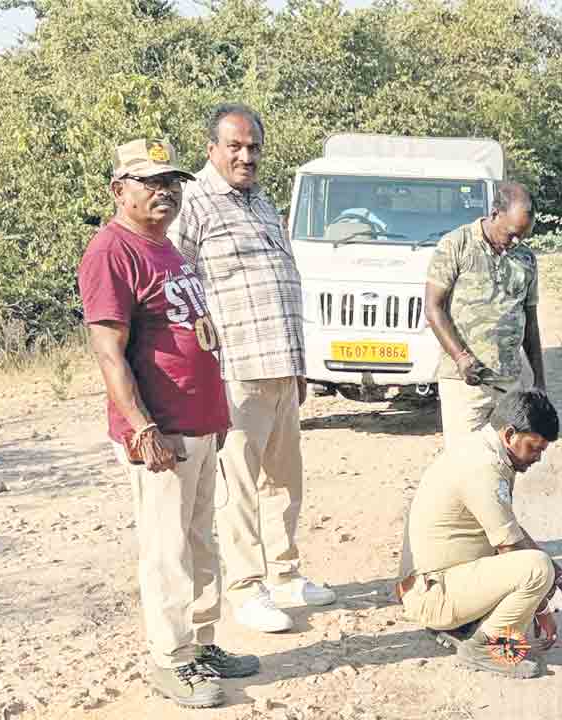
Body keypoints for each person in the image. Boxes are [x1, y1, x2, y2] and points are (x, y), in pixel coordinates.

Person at [79, 139, 258, 709]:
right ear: (119, 189)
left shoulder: (168, 249)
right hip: (161, 431)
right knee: (166, 550)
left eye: (174, 181)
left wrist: (217, 416)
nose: (165, 191)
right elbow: (110, 352)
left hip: (199, 424)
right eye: (150, 181)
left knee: (200, 541)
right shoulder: (112, 252)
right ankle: (170, 658)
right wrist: (141, 427)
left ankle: (201, 644)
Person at [170, 103, 333, 634]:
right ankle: (246, 588)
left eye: (253, 147)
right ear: (212, 149)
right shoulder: (193, 202)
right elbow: (178, 285)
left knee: (284, 481)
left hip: (282, 365)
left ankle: (285, 575)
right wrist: (202, 367)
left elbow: (281, 281)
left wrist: (300, 366)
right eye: (234, 147)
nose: (245, 156)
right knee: (237, 486)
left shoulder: (260, 201)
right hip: (235, 370)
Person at [395, 390, 562, 678]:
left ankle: (465, 625)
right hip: (433, 595)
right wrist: (543, 608)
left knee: (537, 573)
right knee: (536, 570)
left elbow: (509, 528)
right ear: (510, 434)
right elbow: (511, 550)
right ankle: (483, 647)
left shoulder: (478, 449)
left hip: (435, 583)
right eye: (534, 448)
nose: (537, 459)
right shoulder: (485, 468)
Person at [424, 182, 545, 447]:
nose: (516, 242)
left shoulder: (526, 258)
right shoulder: (456, 245)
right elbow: (433, 308)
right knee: (465, 462)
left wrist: (539, 381)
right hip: (466, 383)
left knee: (506, 459)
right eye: (512, 233)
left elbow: (531, 323)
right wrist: (460, 357)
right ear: (494, 214)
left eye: (523, 236)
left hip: (509, 383)